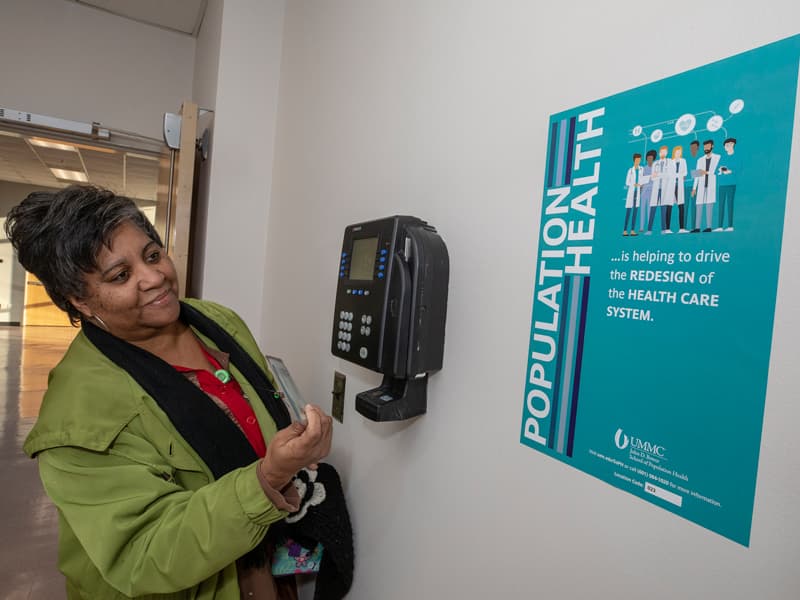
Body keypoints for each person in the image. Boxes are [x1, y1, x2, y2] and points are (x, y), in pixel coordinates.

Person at [4, 186, 352, 600]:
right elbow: (143, 554)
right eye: (120, 275)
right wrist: (267, 477)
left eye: (152, 255)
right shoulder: (78, 417)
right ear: (78, 299)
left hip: (264, 566)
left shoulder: (215, 320)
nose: (154, 278)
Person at [691, 139, 720, 232]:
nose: (706, 148)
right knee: (699, 205)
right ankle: (697, 227)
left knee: (709, 205)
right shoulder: (700, 160)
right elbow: (696, 175)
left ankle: (708, 227)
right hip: (701, 186)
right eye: (705, 147)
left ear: (712, 146)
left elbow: (714, 171)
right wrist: (694, 188)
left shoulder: (717, 157)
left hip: (711, 185)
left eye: (708, 146)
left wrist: (704, 172)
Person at [715, 137, 740, 231]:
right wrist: (722, 170)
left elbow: (737, 169)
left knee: (730, 204)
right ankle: (720, 226)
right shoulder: (723, 157)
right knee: (721, 204)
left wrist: (730, 171)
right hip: (722, 184)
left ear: (732, 144)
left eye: (728, 145)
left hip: (731, 184)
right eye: (725, 146)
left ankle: (730, 226)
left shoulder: (736, 157)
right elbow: (718, 168)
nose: (726, 147)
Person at [623, 153, 644, 236]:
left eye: (639, 159)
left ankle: (632, 230)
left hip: (637, 192)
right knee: (629, 211)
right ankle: (625, 230)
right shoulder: (630, 170)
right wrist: (634, 184)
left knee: (635, 211)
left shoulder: (641, 169)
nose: (638, 161)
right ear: (634, 160)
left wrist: (640, 184)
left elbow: (642, 179)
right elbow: (627, 182)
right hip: (632, 191)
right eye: (637, 159)